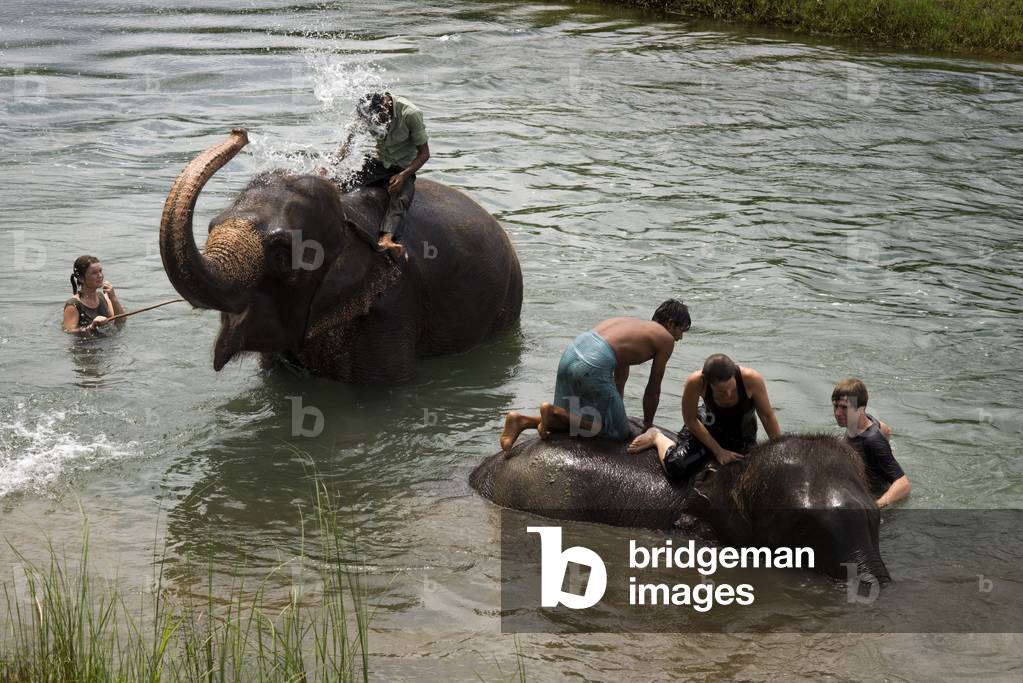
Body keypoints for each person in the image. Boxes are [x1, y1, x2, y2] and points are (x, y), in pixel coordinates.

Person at [499, 299, 692, 453]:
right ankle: (552, 412)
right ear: (670, 323)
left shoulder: (631, 325)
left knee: (574, 426)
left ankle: (523, 420)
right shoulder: (665, 339)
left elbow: (620, 376)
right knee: (616, 432)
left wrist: (616, 410)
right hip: (593, 364)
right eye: (681, 331)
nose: (679, 338)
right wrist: (647, 424)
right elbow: (653, 390)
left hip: (571, 353)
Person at [628, 353, 781, 481]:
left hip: (741, 435)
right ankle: (657, 437)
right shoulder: (695, 382)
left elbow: (767, 416)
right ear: (706, 381)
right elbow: (690, 419)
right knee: (676, 467)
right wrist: (719, 451)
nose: (728, 395)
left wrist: (779, 449)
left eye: (732, 389)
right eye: (721, 392)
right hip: (707, 429)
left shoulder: (751, 379)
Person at [322, 92, 430, 262]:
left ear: (385, 107)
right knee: (346, 182)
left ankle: (387, 237)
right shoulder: (366, 113)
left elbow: (425, 153)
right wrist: (327, 166)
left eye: (378, 119)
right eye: (371, 121)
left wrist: (404, 175)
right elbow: (346, 147)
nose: (375, 123)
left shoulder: (410, 114)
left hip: (401, 167)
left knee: (401, 199)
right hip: (378, 163)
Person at [831, 378, 910, 508]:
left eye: (845, 408)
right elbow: (885, 428)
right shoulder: (861, 422)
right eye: (835, 406)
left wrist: (876, 506)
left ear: (861, 409)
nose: (837, 413)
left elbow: (903, 484)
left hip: (872, 497)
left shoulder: (871, 441)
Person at [62, 255, 126, 336]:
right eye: (94, 273)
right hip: (85, 347)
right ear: (81, 278)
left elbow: (121, 321)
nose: (100, 275)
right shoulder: (73, 305)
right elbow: (68, 331)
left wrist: (113, 298)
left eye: (100, 271)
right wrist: (91, 327)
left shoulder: (104, 297)